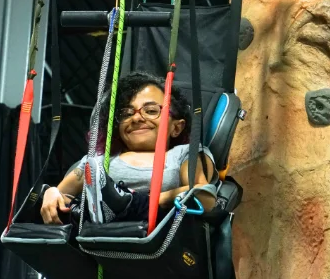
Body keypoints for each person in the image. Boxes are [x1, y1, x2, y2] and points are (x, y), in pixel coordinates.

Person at [40, 71, 217, 225]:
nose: (137, 118)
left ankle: (120, 204)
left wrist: (144, 201)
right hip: (99, 236)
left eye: (151, 110)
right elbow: (61, 195)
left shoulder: (185, 153)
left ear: (176, 127)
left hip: (161, 234)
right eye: (126, 113)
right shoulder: (98, 163)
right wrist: (51, 193)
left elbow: (203, 194)